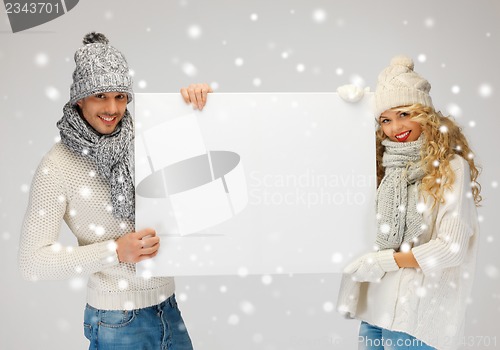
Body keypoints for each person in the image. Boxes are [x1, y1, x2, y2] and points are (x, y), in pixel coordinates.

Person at [18, 32, 211, 349]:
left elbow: (202, 164)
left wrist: (196, 102)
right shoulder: (58, 165)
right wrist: (115, 252)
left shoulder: (150, 136)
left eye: (121, 96)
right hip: (116, 322)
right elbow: (31, 263)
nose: (112, 108)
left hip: (169, 309)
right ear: (80, 99)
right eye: (100, 96)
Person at [336, 55, 481, 350]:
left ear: (424, 113)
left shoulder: (450, 166)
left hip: (416, 320)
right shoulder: (382, 167)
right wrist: (343, 113)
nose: (395, 127)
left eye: (404, 114)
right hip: (374, 311)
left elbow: (450, 248)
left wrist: (383, 261)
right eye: (385, 119)